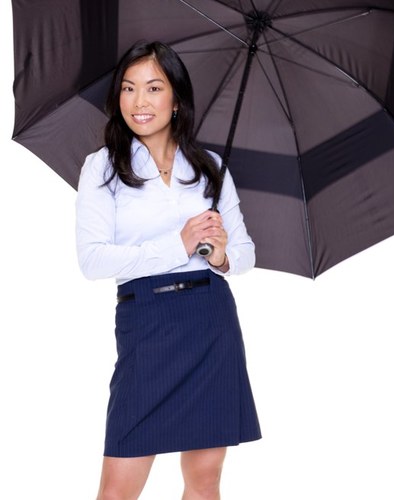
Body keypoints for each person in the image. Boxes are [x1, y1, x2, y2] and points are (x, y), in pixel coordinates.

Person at [75, 40, 261, 499]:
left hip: (210, 320)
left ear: (176, 99)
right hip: (146, 322)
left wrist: (219, 256)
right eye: (128, 88)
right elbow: (92, 260)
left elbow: (245, 254)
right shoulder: (102, 168)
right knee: (117, 489)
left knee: (204, 480)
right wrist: (177, 245)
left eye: (154, 88)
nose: (139, 101)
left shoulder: (211, 168)